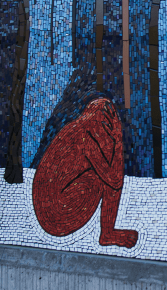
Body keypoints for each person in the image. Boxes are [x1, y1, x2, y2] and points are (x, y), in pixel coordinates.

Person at [32, 97, 138, 248]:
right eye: (106, 124)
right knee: (103, 178)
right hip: (57, 216)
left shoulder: (74, 128)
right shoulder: (85, 138)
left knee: (104, 171)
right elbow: (115, 180)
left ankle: (107, 232)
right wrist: (118, 138)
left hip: (48, 209)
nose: (106, 130)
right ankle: (107, 233)